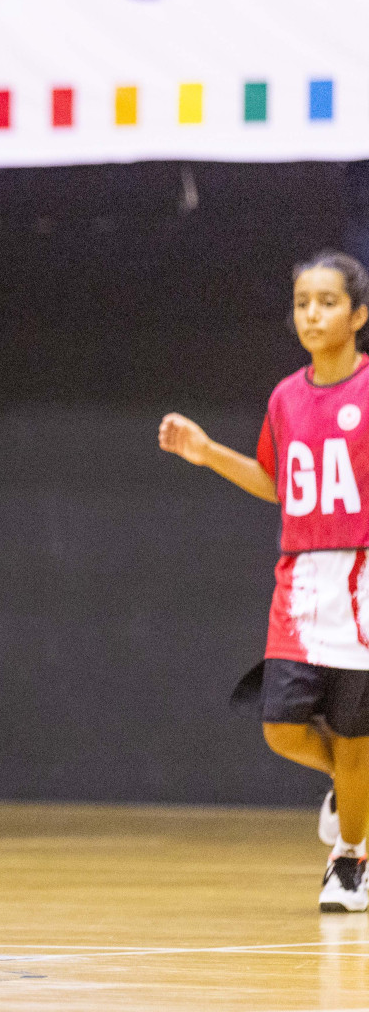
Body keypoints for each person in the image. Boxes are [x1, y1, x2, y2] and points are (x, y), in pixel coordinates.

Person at [160, 251, 369, 912]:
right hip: (302, 584)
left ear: (359, 314)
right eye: (303, 301)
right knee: (281, 725)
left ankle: (350, 861)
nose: (312, 313)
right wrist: (206, 452)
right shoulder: (286, 396)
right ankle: (351, 785)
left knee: (358, 735)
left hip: (362, 582)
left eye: (328, 301)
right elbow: (278, 483)